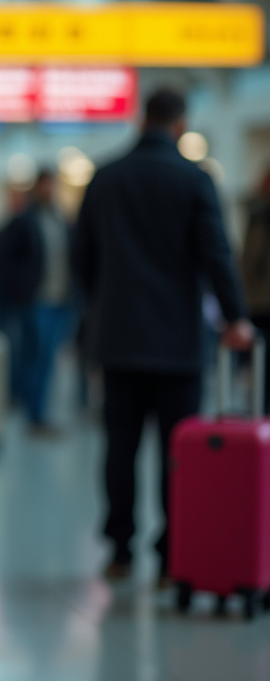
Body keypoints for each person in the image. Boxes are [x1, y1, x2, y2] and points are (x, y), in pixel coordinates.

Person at [73, 87, 254, 584]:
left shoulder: (104, 178)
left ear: (141, 119)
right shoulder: (194, 179)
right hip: (177, 340)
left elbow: (81, 256)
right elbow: (216, 253)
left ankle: (119, 547)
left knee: (120, 447)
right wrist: (235, 317)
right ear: (181, 124)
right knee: (181, 452)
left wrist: (103, 304)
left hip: (118, 337)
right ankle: (174, 551)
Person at [0, 169, 73, 433]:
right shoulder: (24, 220)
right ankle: (34, 414)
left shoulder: (60, 219)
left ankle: (38, 412)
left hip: (60, 299)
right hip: (36, 300)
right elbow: (4, 257)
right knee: (35, 357)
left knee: (48, 358)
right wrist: (21, 287)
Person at [241, 164, 270, 412]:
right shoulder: (259, 213)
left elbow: (248, 261)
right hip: (260, 303)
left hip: (258, 302)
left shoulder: (258, 212)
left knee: (262, 372)